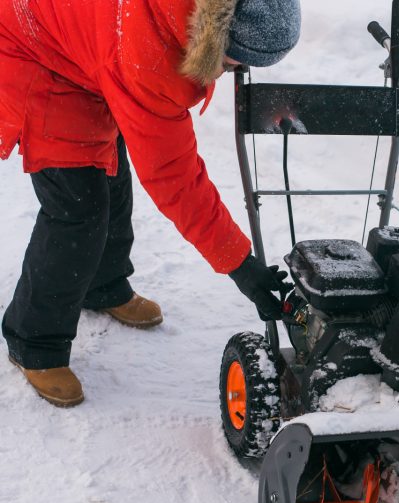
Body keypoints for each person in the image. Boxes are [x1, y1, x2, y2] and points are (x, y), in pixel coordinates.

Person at [0, 0, 301, 407]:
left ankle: (101, 286)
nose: (233, 72)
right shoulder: (149, 55)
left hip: (87, 38)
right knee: (78, 205)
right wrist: (241, 267)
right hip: (32, 45)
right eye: (233, 63)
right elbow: (173, 175)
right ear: (216, 34)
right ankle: (34, 341)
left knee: (109, 170)